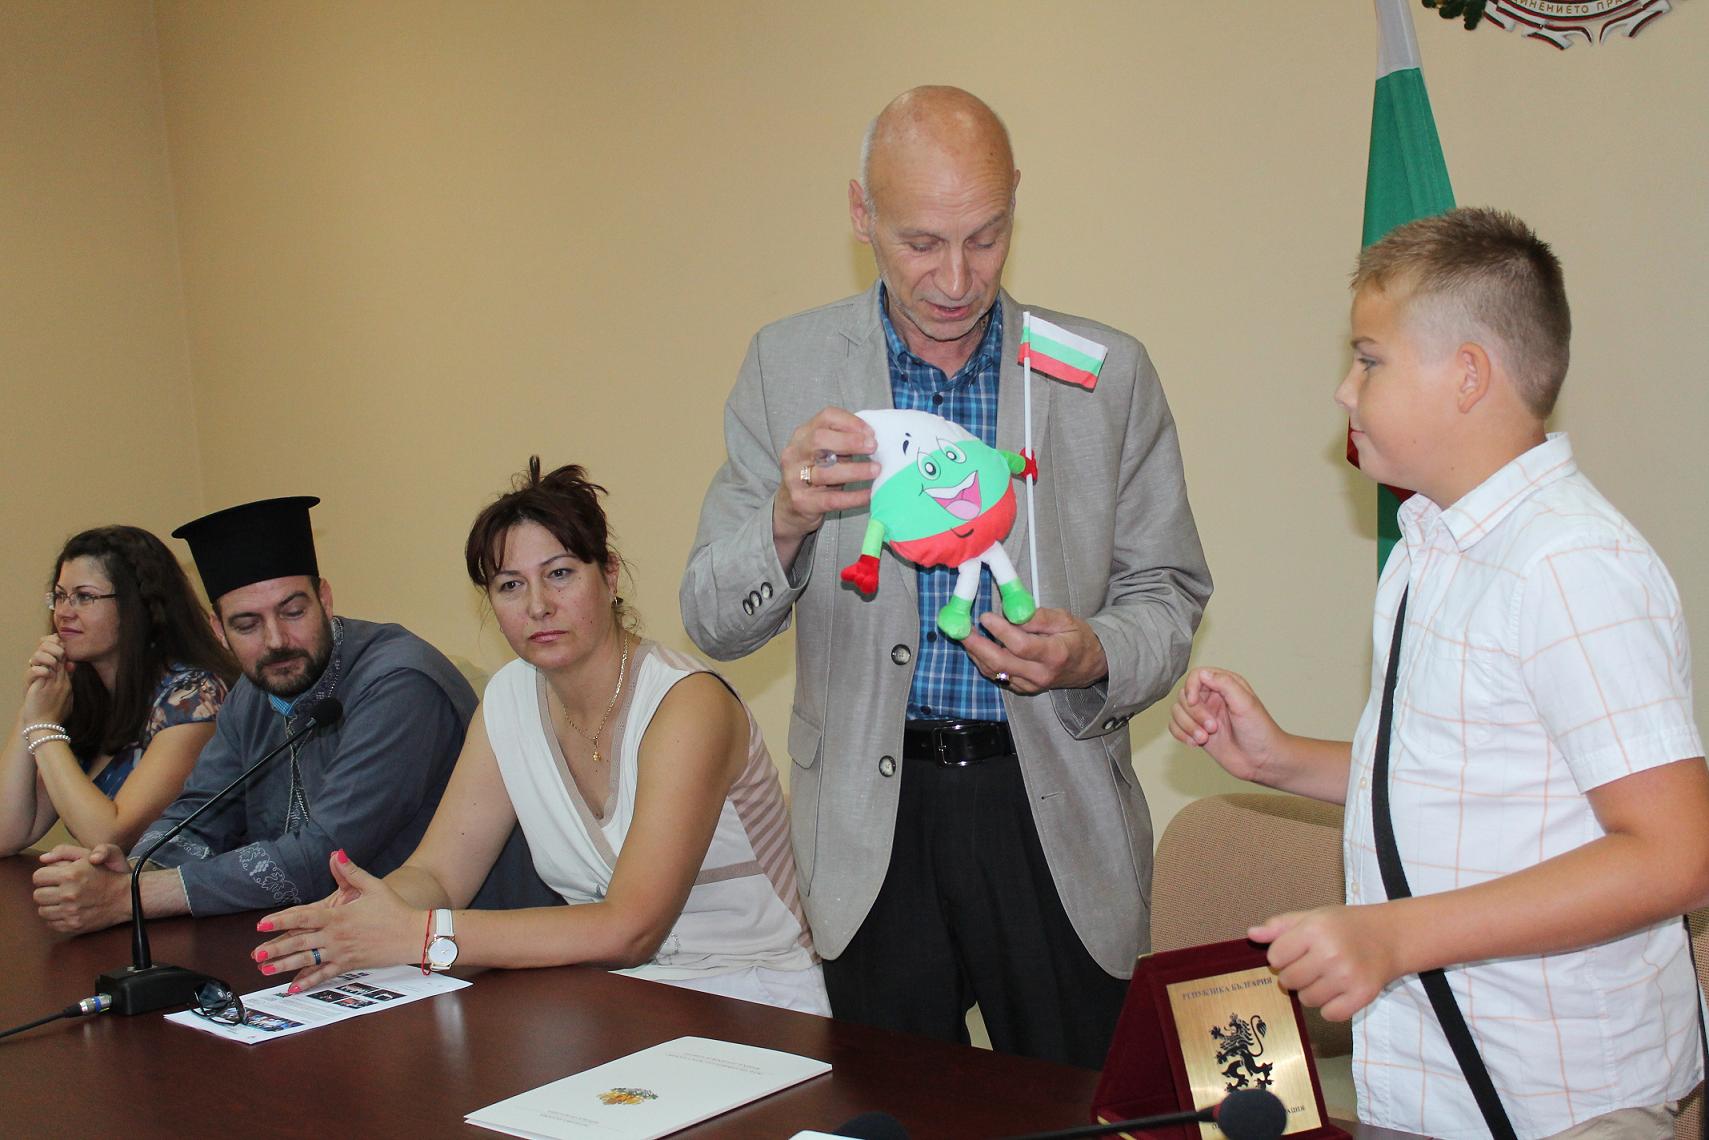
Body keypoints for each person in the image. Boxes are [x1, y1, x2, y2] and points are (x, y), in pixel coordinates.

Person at [680, 86, 1211, 1065]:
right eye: (921, 243)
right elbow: (712, 619)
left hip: (1052, 810)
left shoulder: (1105, 374)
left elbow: (1169, 592)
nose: (956, 279)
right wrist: (786, 522)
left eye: (985, 237)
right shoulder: (786, 365)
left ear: (1014, 206)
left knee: (1077, 1108)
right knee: (895, 1112)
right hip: (869, 821)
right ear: (861, 214)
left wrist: (1094, 651)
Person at [1171, 208, 1708, 1138]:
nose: (1344, 390)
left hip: (1560, 1102)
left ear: (1467, 375)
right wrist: (1279, 759)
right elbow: (1466, 779)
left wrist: (1394, 935)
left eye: (1368, 361)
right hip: (1432, 1085)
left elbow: (1679, 855)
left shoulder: (1568, 564)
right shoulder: (1431, 548)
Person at [249, 460, 827, 1015]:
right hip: (615, 999)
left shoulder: (687, 705)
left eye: (560, 574)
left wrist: (421, 936)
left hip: (754, 996)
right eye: (510, 585)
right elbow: (440, 875)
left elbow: (630, 929)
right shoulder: (509, 699)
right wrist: (362, 915)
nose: (538, 606)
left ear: (609, 575)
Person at [32, 495, 548, 933]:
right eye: (247, 624)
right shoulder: (253, 692)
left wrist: (132, 897)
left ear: (325, 599)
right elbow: (200, 814)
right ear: (218, 631)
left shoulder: (399, 681)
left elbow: (326, 857)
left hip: (468, 952)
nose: (277, 640)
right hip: (337, 944)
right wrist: (133, 869)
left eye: (293, 611)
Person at [2, 526, 235, 856]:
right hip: (117, 889)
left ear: (138, 605)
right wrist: (33, 705)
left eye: (84, 597)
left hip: (195, 887)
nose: (64, 612)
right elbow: (6, 832)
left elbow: (110, 836)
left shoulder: (193, 697)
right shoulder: (83, 696)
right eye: (60, 596)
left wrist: (42, 726)